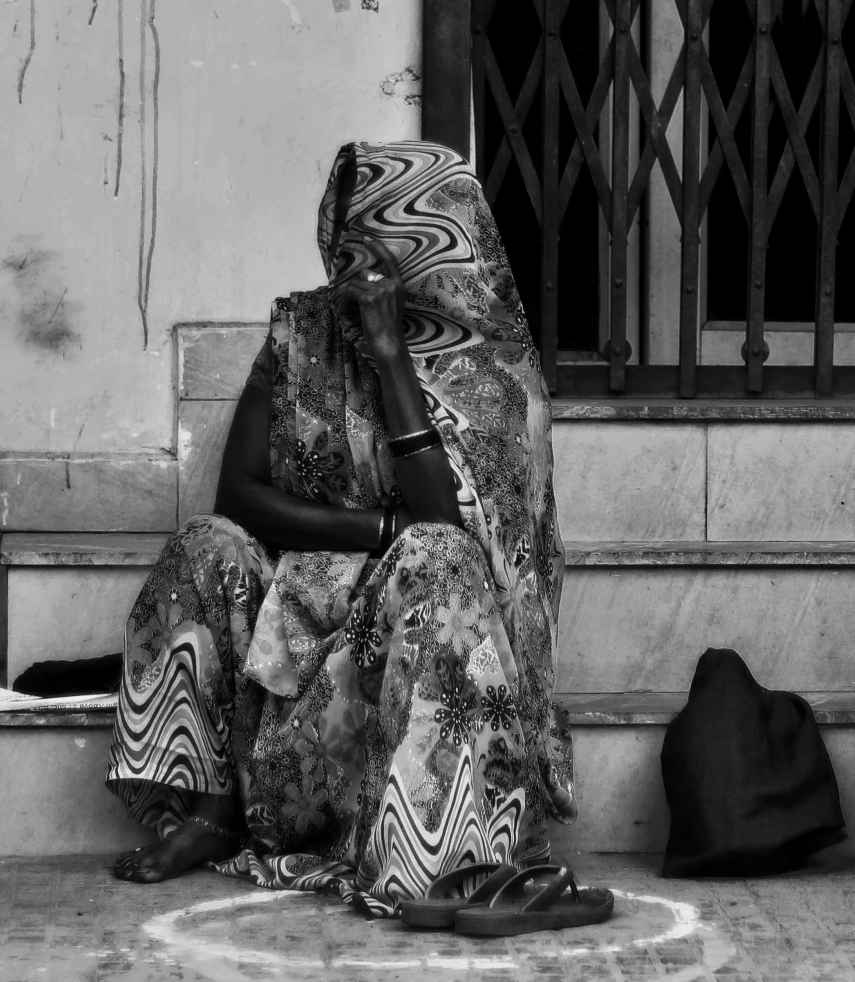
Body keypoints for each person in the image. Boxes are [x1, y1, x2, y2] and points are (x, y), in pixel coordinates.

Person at [106, 141, 573, 913]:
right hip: (290, 649)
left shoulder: (497, 376)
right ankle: (215, 808)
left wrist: (392, 355)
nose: (353, 258)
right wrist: (370, 525)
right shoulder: (304, 335)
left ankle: (429, 845)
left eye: (377, 235)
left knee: (438, 556)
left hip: (405, 653)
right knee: (204, 544)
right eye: (347, 236)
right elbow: (239, 491)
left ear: (434, 241)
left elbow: (441, 531)